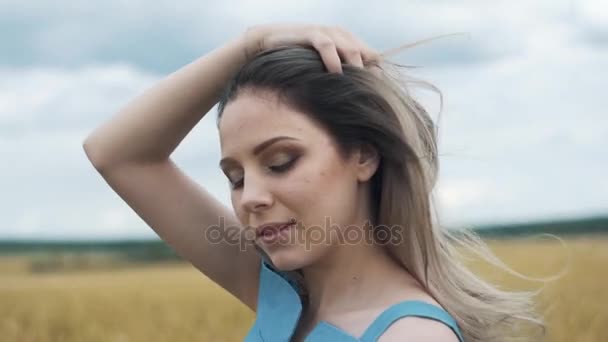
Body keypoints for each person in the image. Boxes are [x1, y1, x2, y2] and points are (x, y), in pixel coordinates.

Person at [83, 23, 545, 341]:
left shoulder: (411, 335)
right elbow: (118, 154)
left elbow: (119, 156)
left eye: (281, 162)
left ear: (363, 154)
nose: (252, 199)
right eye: (236, 177)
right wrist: (251, 44)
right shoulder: (282, 290)